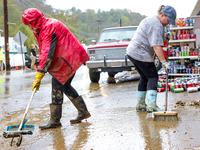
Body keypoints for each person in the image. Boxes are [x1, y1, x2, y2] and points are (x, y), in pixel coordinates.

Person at [22, 8, 91, 129]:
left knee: (57, 86)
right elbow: (44, 49)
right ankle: (82, 112)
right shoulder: (39, 29)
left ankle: (55, 120)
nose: (30, 28)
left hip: (68, 58)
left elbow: (47, 51)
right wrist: (42, 69)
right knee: (64, 86)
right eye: (28, 26)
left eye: (31, 25)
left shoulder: (49, 26)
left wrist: (40, 73)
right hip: (64, 59)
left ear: (36, 21)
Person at [126, 5, 176, 112]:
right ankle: (152, 105)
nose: (168, 23)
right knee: (153, 76)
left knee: (144, 77)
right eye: (168, 20)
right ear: (163, 15)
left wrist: (164, 36)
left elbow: (152, 38)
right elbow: (156, 46)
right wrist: (164, 62)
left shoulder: (153, 20)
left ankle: (140, 104)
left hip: (132, 52)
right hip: (140, 52)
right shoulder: (157, 25)